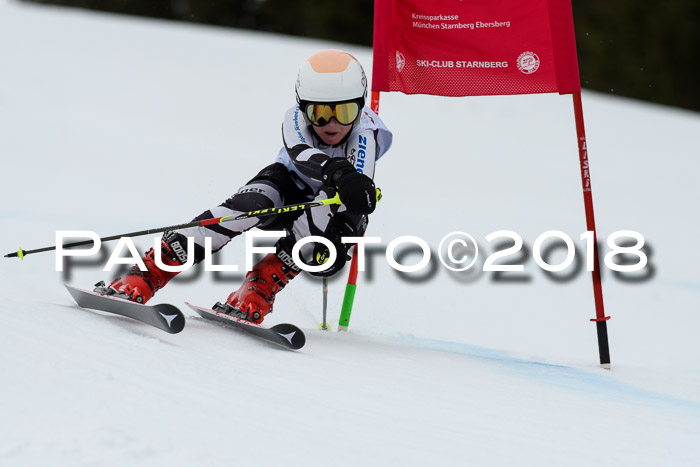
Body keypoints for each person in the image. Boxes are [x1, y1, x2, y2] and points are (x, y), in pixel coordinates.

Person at [97, 49, 393, 324]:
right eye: (320, 113)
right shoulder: (293, 118)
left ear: (361, 107)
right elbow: (301, 153)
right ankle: (150, 271)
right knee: (241, 210)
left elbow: (357, 189)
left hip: (326, 205)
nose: (332, 123)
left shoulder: (365, 132)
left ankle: (259, 286)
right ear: (303, 107)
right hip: (286, 184)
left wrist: (339, 235)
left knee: (330, 212)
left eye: (345, 113)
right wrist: (339, 172)